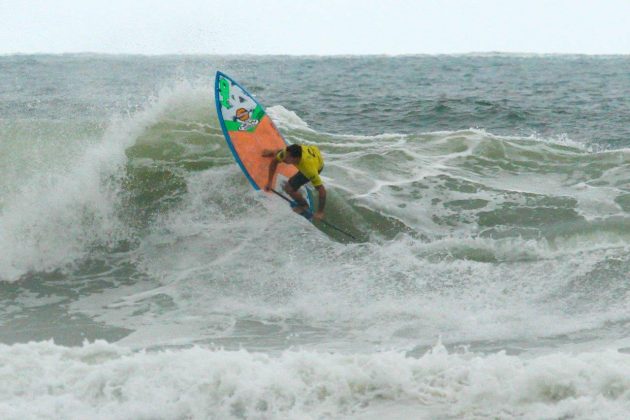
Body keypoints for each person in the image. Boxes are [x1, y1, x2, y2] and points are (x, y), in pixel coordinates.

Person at [262, 144, 326, 221]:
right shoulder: (287, 153)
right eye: (286, 155)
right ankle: (275, 152)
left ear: (296, 159)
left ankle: (304, 205)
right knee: (281, 156)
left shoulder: (309, 170)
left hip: (317, 164)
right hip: (309, 150)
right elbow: (274, 162)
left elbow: (322, 190)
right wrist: (270, 182)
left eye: (289, 157)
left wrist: (320, 212)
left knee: (288, 188)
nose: (285, 158)